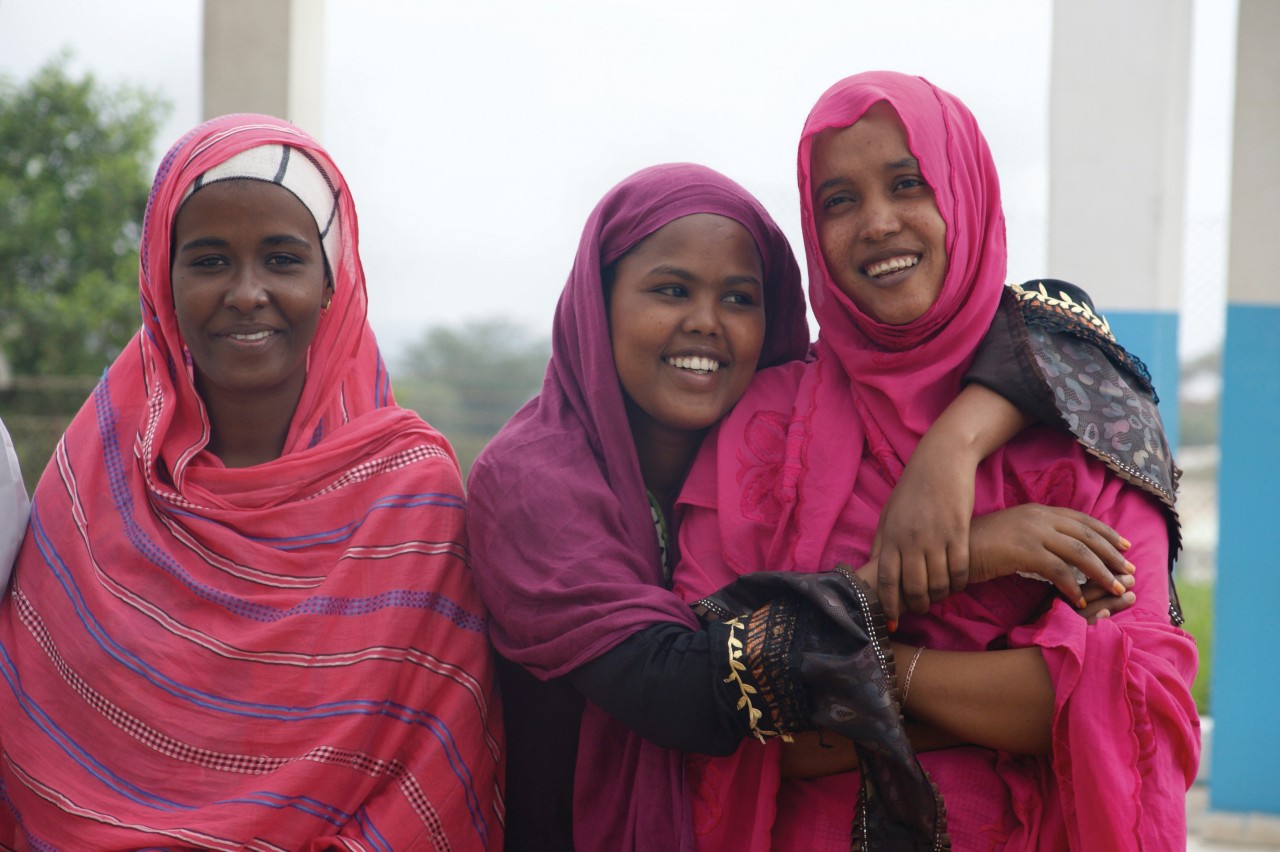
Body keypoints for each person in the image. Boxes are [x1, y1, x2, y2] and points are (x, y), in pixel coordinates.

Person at [466, 163, 1136, 850]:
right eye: (670, 291)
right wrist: (964, 557)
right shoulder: (532, 483)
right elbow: (683, 690)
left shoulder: (772, 452)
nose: (704, 323)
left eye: (739, 298)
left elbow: (1063, 313)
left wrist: (954, 447)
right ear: (595, 303)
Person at [674, 71, 1198, 850]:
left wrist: (866, 675)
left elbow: (1140, 700)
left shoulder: (1087, 414)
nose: (878, 223)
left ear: (964, 192)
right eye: (839, 201)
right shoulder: (765, 424)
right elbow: (718, 691)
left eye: (907, 183)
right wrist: (982, 571)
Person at [0, 115, 502, 849]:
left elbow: (431, 757)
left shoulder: (408, 493)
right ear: (161, 281)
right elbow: (36, 716)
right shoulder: (98, 467)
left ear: (333, 281)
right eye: (208, 261)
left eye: (282, 260)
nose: (245, 293)